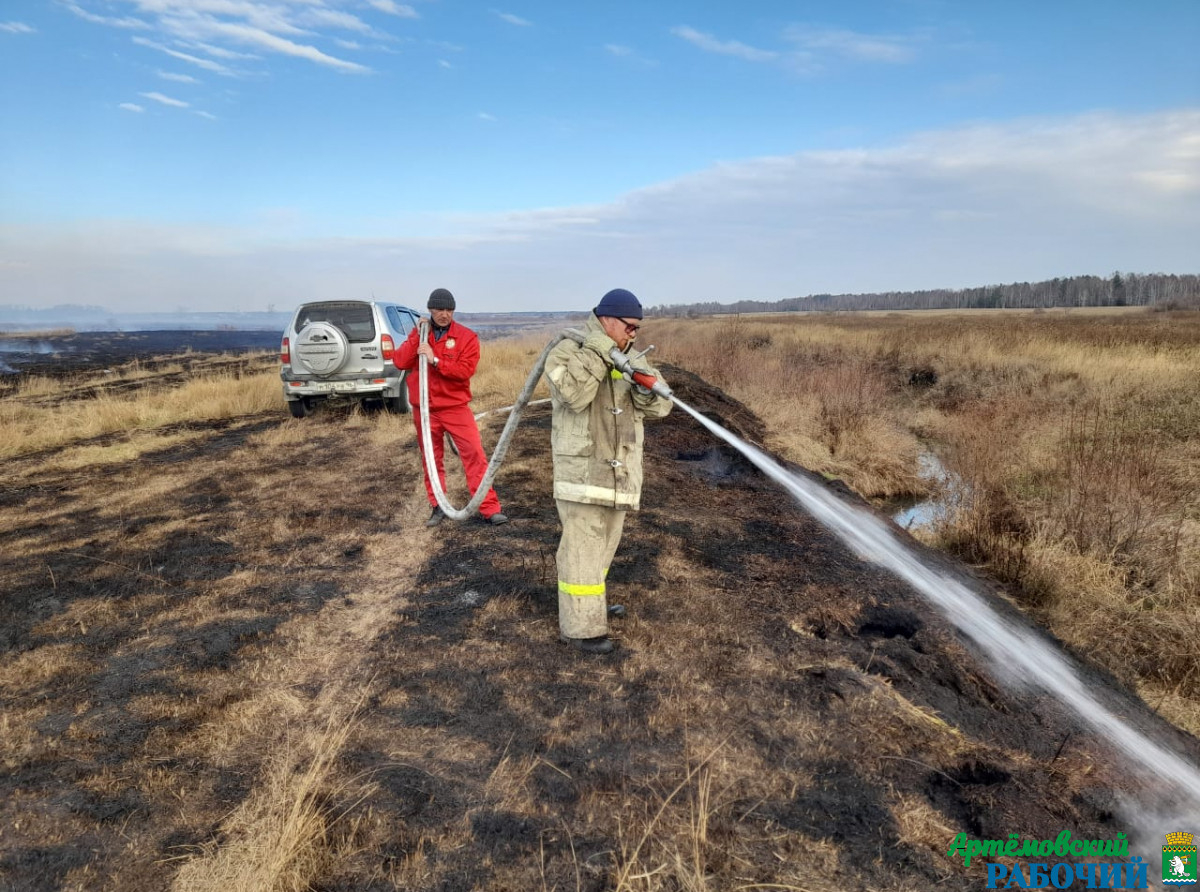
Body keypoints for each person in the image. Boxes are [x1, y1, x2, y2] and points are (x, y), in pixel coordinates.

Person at [544, 288, 672, 654]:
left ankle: (590, 604)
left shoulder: (630, 356)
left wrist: (646, 387)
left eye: (637, 329)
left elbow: (659, 408)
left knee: (603, 548)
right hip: (582, 473)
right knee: (581, 549)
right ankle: (580, 628)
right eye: (629, 327)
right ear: (607, 321)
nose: (634, 335)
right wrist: (601, 351)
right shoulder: (567, 351)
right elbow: (574, 394)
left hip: (618, 476)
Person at [395, 288, 508, 527]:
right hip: (424, 410)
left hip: (455, 408)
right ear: (430, 310)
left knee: (475, 454)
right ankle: (438, 507)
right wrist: (418, 336)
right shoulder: (420, 335)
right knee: (431, 460)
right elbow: (400, 361)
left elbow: (464, 371)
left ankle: (489, 508)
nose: (444, 314)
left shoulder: (467, 337)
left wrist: (435, 359)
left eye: (449, 310)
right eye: (439, 309)